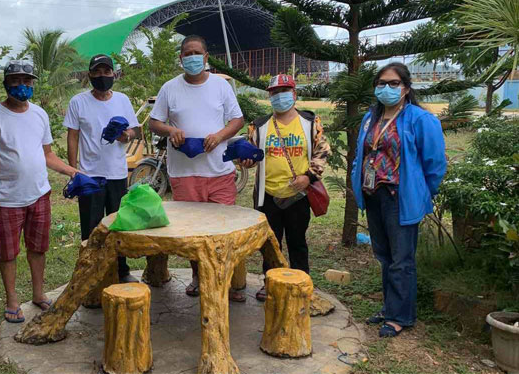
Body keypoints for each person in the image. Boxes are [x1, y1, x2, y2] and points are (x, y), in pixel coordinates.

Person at [0, 59, 79, 323]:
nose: (22, 86)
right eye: (15, 81)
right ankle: (11, 299)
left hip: (39, 194)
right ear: (6, 84)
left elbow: (47, 154)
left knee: (38, 248)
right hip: (6, 199)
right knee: (8, 253)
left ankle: (38, 293)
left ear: (33, 83)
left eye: (27, 81)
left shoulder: (40, 114)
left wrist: (70, 171)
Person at [351, 62, 447, 338]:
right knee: (384, 256)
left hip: (400, 197)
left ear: (405, 88)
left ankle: (400, 316)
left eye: (393, 84)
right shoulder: (371, 117)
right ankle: (389, 306)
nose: (387, 88)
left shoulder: (420, 119)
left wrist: (424, 192)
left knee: (402, 259)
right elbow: (362, 152)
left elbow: (435, 162)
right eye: (381, 83)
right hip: (373, 195)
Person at [148, 35, 246, 301]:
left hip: (219, 171)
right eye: (187, 53)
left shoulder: (221, 86)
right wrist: (170, 130)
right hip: (184, 173)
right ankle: (197, 277)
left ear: (205, 57)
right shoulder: (170, 88)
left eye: (197, 53)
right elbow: (154, 122)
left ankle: (227, 281)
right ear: (181, 59)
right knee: (193, 232)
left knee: (224, 229)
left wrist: (220, 135)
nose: (192, 57)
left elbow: (238, 119)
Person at [240, 74, 330, 302]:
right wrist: (246, 160)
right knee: (270, 243)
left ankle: (301, 283)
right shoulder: (259, 126)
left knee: (297, 241)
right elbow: (250, 155)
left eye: (284, 91)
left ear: (294, 94)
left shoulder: (310, 123)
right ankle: (271, 282)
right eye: (274, 93)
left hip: (297, 195)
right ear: (269, 96)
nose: (279, 97)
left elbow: (322, 151)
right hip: (267, 194)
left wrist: (309, 176)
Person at [64, 54, 141, 283]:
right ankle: (90, 274)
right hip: (89, 174)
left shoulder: (123, 100)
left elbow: (135, 131)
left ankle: (121, 269)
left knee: (118, 224)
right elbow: (72, 137)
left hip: (117, 172)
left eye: (106, 72)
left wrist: (125, 135)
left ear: (113, 74)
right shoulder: (78, 102)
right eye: (97, 72)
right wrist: (73, 172)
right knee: (91, 227)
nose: (102, 76)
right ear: (89, 75)